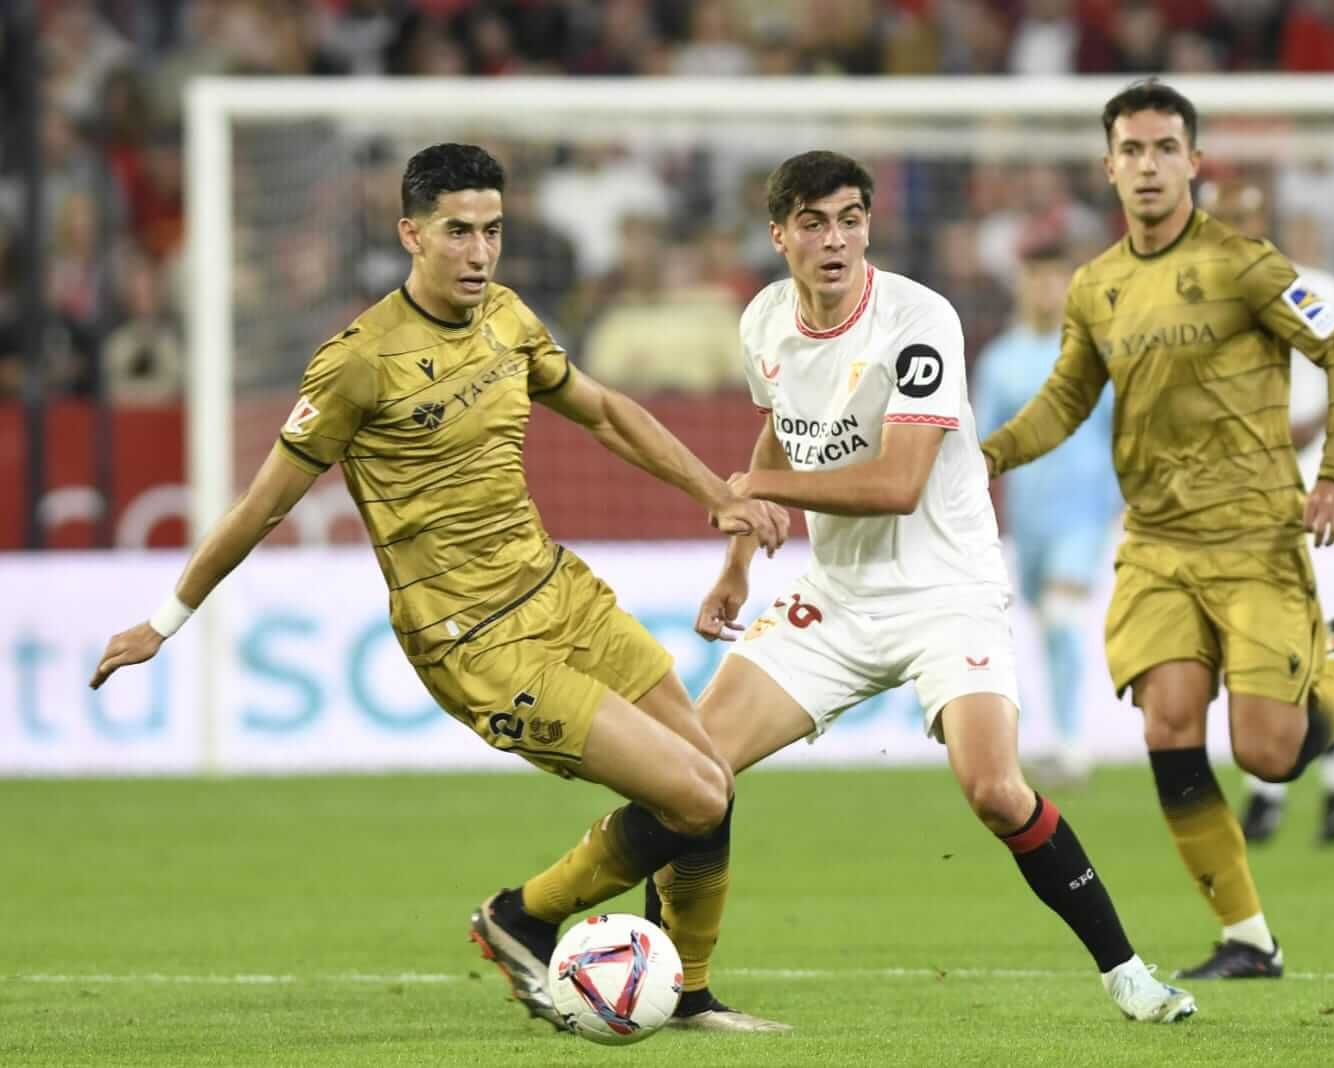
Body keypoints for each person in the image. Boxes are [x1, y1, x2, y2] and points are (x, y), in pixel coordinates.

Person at [87, 143, 787, 1031]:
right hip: (475, 641)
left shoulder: (508, 320)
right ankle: (521, 916)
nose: (479, 252)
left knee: (709, 781)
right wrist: (164, 620)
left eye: (492, 231)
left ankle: (686, 995)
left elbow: (606, 412)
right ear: (411, 234)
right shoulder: (359, 362)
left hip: (560, 591)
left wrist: (718, 495)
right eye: (458, 232)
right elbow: (262, 507)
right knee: (690, 796)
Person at [652, 149, 1198, 1025]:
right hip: (836, 596)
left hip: (948, 590)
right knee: (687, 772)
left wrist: (752, 492)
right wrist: (738, 562)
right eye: (815, 223)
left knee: (994, 789)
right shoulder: (762, 321)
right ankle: (677, 992)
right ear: (779, 235)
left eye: (852, 219)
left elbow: (896, 483)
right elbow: (781, 436)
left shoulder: (917, 319)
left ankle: (1126, 972)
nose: (836, 240)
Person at [979, 80, 1334, 980]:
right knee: (1168, 725)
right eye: (1131, 150)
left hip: (1255, 537)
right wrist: (987, 456)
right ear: (1108, 166)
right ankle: (1248, 938)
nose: (1147, 165)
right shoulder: (1095, 288)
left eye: (1164, 148)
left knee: (1269, 752)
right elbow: (1064, 401)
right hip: (1157, 545)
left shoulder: (1247, 266)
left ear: (1193, 162)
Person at [1200, 179, 1334, 846]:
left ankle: (1267, 792)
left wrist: (1319, 424)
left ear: (1262, 219)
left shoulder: (1303, 289)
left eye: (1243, 216)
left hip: (1303, 483)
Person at [975, 240, 1122, 787]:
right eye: (1037, 278)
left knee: (1062, 615)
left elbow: (1126, 430)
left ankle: (1072, 745)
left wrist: (1129, 503)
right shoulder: (1000, 361)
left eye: (1057, 279)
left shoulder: (1095, 354)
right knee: (1043, 624)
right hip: (1028, 521)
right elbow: (980, 445)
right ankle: (1058, 735)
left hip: (1085, 514)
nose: (1047, 290)